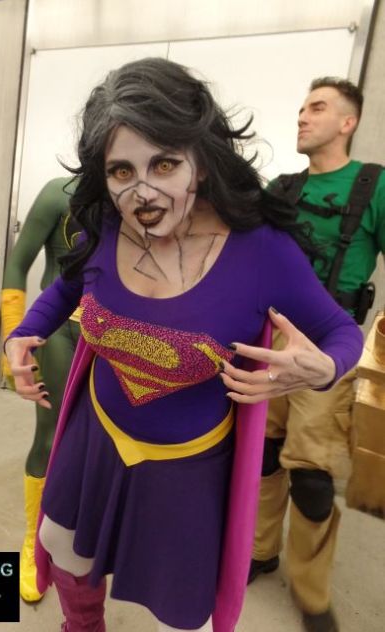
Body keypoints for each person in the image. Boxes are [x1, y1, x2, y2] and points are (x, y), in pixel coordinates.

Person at [4, 59, 363, 632]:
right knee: (65, 550)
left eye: (165, 163)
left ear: (202, 155)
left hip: (187, 467)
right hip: (95, 438)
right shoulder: (103, 223)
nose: (142, 191)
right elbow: (67, 286)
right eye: (121, 170)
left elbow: (341, 333)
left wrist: (321, 369)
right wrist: (24, 332)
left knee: (178, 609)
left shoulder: (261, 249)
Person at [249, 77, 385, 632]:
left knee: (311, 477)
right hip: (269, 338)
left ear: (347, 123)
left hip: (331, 343)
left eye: (318, 108)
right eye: (302, 107)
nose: (302, 116)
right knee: (262, 455)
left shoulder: (374, 185)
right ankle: (260, 551)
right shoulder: (279, 189)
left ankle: (311, 591)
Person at [0, 178, 81, 602]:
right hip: (61, 328)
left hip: (116, 332)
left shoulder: (140, 195)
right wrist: (13, 336)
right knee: (50, 438)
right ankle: (33, 540)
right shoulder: (58, 193)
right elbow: (17, 264)